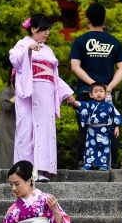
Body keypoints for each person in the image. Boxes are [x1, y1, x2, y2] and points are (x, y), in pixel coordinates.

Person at [10, 14, 74, 182]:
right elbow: (15, 61)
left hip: (45, 93)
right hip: (30, 94)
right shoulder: (22, 44)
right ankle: (26, 171)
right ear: (33, 29)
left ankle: (42, 170)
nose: (47, 33)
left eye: (48, 30)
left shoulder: (48, 50)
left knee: (44, 131)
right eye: (44, 29)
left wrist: (67, 92)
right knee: (27, 130)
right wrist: (28, 50)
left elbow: (54, 75)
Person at [69, 3, 122, 168]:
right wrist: (107, 87)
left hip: (85, 92)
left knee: (84, 128)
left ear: (87, 20)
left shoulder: (80, 41)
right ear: (104, 19)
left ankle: (82, 162)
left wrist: (93, 85)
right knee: (110, 126)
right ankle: (113, 163)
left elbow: (75, 67)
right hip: (107, 93)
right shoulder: (114, 42)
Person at [67, 81, 122, 170]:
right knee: (90, 147)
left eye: (101, 91)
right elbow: (81, 105)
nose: (98, 93)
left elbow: (116, 116)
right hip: (92, 130)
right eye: (96, 92)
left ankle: (103, 165)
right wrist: (73, 101)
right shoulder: (89, 104)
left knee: (104, 147)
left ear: (105, 94)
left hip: (104, 130)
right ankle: (88, 164)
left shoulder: (109, 106)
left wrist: (116, 127)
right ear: (91, 95)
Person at [0, 69, 17, 169]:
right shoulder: (5, 91)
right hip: (8, 131)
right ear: (11, 78)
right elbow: (6, 105)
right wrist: (19, 95)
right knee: (6, 161)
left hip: (21, 131)